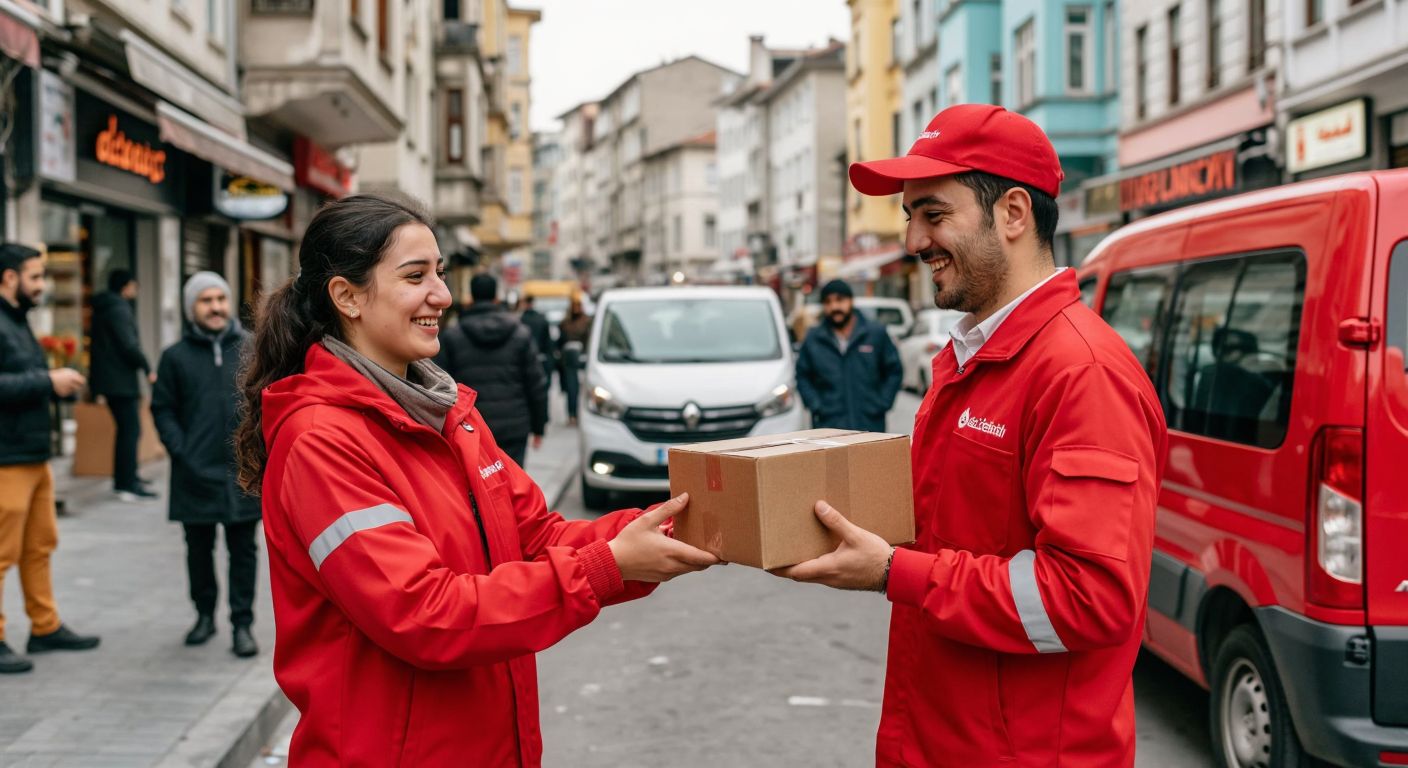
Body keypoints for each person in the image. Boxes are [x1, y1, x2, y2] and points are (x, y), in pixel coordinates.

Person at [232, 195, 718, 765]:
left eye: (439, 273)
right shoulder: (321, 440)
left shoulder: (446, 412)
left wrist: (677, 527)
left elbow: (538, 536)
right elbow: (422, 612)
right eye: (415, 276)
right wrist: (607, 567)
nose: (442, 294)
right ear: (347, 296)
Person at [774, 104, 1168, 766]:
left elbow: (1089, 600)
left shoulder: (1081, 373)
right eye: (909, 217)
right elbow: (957, 531)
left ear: (1013, 214)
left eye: (933, 214)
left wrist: (894, 572)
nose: (913, 239)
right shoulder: (975, 358)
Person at [0, 243, 101, 675]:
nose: (42, 284)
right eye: (35, 276)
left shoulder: (17, 322)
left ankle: (45, 626)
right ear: (9, 278)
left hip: (33, 455)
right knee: (2, 553)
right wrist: (48, 380)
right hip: (6, 458)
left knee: (39, 546)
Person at [151, 272, 261, 658]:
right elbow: (162, 408)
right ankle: (203, 615)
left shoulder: (251, 348)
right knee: (197, 549)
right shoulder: (174, 357)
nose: (215, 307)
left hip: (242, 471)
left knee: (243, 550)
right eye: (205, 300)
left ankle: (242, 625)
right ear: (191, 308)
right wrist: (181, 450)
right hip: (193, 472)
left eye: (220, 298)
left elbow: (267, 400)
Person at [435, 273, 548, 468]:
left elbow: (440, 386)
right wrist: (539, 427)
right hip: (514, 425)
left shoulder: (453, 337)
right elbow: (536, 385)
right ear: (496, 298)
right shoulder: (520, 334)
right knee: (514, 485)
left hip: (470, 428)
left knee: (478, 488)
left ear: (471, 298)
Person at [794, 279, 903, 432]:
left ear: (851, 301)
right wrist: (815, 405)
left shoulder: (875, 334)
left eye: (840, 300)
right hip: (829, 428)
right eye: (828, 302)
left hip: (870, 425)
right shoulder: (813, 338)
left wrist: (883, 403)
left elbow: (894, 370)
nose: (834, 307)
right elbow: (802, 375)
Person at [90, 268, 156, 501]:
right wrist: (147, 367)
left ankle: (127, 478)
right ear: (126, 286)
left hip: (112, 379)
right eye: (134, 285)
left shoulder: (106, 307)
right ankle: (126, 484)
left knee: (127, 430)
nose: (136, 290)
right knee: (130, 431)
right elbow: (128, 345)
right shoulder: (118, 308)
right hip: (119, 381)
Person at [557, 298, 590, 425]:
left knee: (580, 389)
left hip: (581, 358)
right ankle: (572, 415)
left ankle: (577, 415)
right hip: (570, 359)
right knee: (572, 389)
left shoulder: (586, 322)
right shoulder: (566, 323)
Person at [518, 295, 555, 390]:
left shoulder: (519, 321)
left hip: (524, 362)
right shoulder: (542, 320)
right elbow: (549, 345)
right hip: (541, 360)